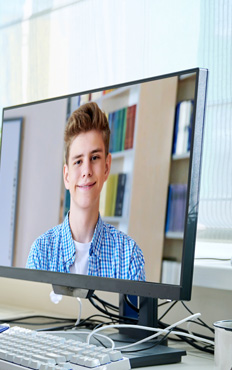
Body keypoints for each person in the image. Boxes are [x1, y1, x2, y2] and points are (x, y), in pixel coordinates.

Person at [26, 102, 145, 281]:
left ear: (106, 167)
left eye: (95, 158)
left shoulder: (129, 256)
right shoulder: (41, 252)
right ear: (66, 176)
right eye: (78, 161)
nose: (86, 171)